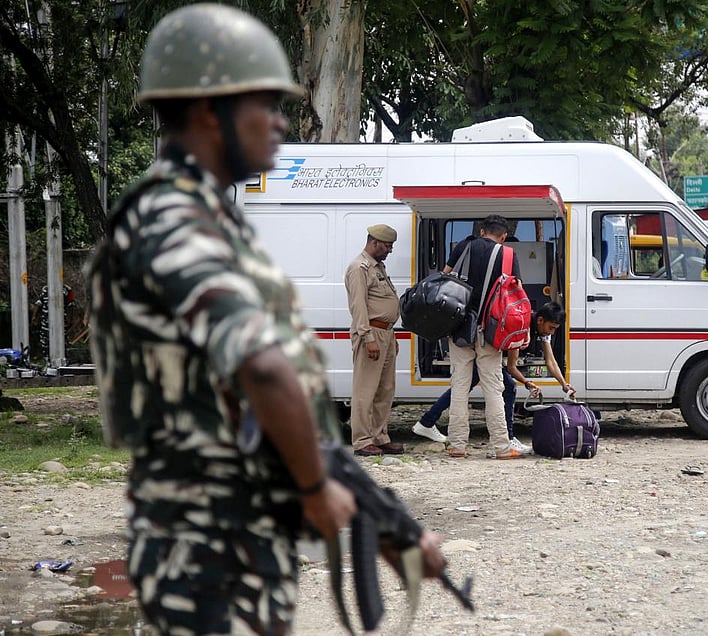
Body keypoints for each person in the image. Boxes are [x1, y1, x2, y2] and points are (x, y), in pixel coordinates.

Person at [87, 5, 441, 633]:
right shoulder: (171, 221)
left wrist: (381, 521)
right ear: (205, 111)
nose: (280, 123)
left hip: (238, 536)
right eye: (264, 105)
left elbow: (273, 407)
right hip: (203, 547)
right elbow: (265, 371)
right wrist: (314, 492)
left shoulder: (211, 220)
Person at [443, 215, 528, 459]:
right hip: (490, 332)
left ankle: (457, 445)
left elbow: (444, 276)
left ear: (481, 231)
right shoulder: (509, 255)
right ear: (503, 236)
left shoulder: (463, 246)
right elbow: (516, 292)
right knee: (493, 388)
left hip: (459, 328)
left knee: (459, 386)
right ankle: (501, 446)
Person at [344, 224, 403, 457]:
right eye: (387, 246)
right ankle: (362, 440)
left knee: (385, 389)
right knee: (365, 389)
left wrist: (392, 334)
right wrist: (367, 337)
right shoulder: (359, 267)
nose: (389, 250)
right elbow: (358, 306)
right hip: (371, 333)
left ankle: (380, 436)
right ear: (374, 242)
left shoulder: (378, 267)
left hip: (385, 333)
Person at [413, 366, 531, 452]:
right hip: (483, 349)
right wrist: (526, 381)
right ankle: (506, 440)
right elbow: (512, 365)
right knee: (505, 387)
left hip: (473, 347)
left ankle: (428, 421)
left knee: (462, 387)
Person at [505, 302, 574, 404]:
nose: (552, 332)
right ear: (540, 320)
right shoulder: (522, 326)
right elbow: (511, 367)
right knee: (509, 387)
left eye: (555, 329)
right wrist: (527, 382)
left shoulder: (543, 329)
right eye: (551, 328)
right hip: (491, 355)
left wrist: (564, 384)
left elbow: (550, 361)